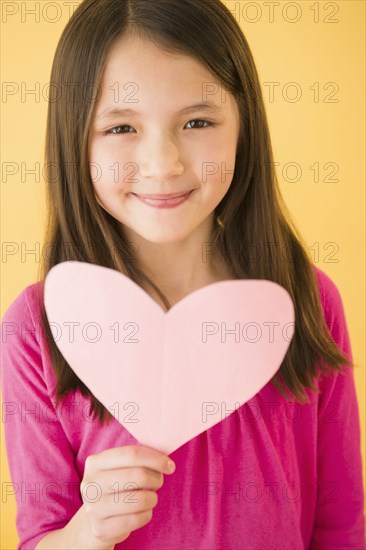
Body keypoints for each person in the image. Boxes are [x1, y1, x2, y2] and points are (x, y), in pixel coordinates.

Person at [1, 0, 365, 548]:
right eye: (121, 126)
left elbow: (341, 525)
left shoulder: (307, 299)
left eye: (197, 121)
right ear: (75, 140)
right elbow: (40, 538)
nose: (163, 162)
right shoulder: (37, 327)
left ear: (245, 123)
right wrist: (85, 532)